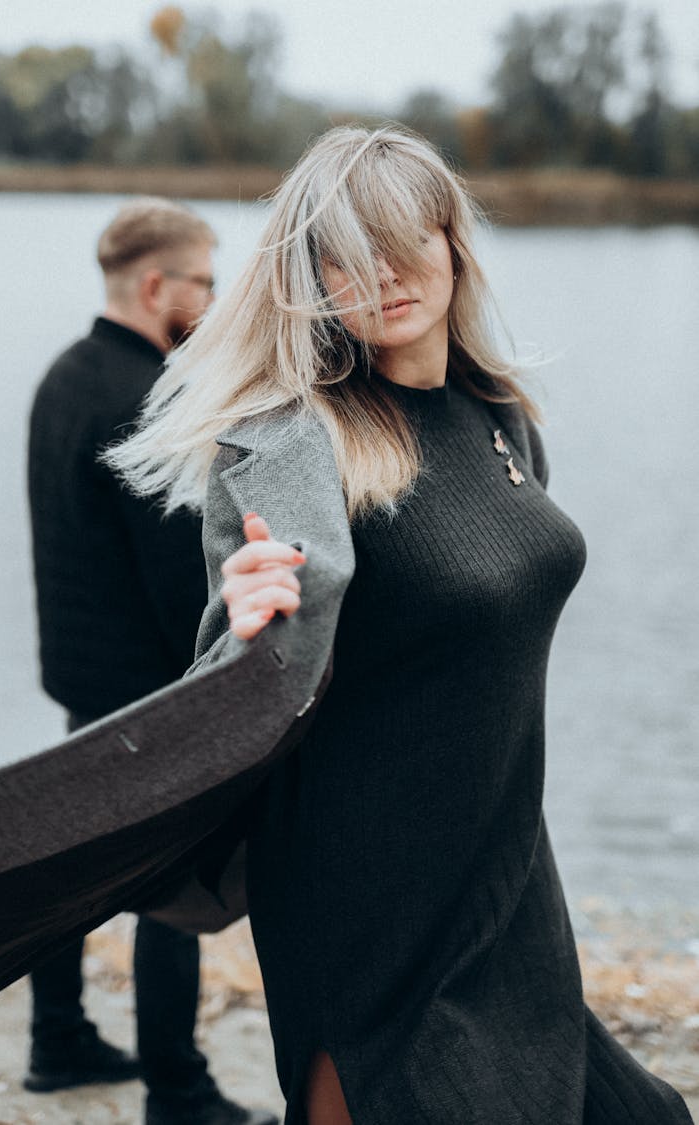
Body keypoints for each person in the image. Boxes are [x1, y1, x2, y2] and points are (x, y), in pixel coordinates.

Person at [107, 130, 693, 1124]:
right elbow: (259, 647)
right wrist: (242, 615)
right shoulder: (299, 437)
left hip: (505, 879)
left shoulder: (501, 417)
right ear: (310, 280)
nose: (379, 274)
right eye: (342, 255)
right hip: (365, 893)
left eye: (400, 237)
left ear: (451, 240)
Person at [27, 198, 278, 1125]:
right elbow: (179, 569)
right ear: (154, 284)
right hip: (144, 683)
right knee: (173, 888)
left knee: (59, 865)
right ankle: (177, 1086)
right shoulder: (145, 392)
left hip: (79, 668)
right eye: (206, 282)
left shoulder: (63, 375)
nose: (214, 303)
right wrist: (223, 673)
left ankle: (58, 1037)